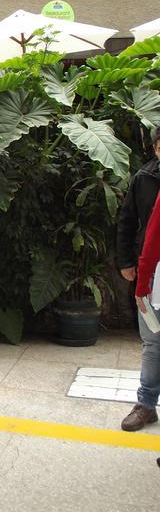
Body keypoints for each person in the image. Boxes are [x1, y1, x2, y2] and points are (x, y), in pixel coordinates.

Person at [117, 127, 160, 431]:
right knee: (153, 343)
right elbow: (127, 220)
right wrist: (127, 262)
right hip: (153, 271)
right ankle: (146, 405)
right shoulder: (144, 179)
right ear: (156, 148)